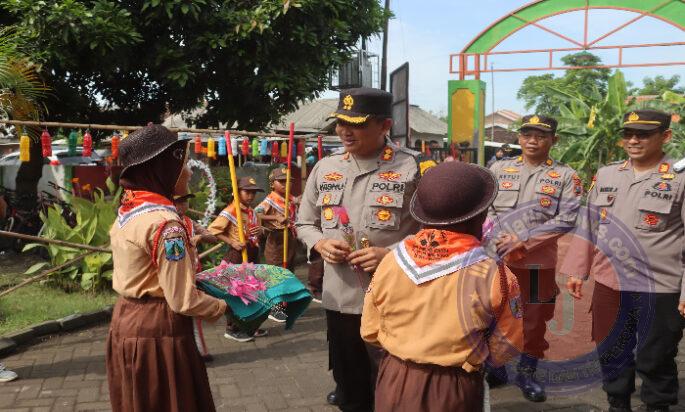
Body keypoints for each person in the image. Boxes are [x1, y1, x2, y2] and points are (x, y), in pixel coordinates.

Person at [296, 87, 423, 411]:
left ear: (384, 126)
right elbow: (304, 223)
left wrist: (391, 252)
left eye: (356, 123)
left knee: (393, 382)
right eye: (340, 122)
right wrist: (321, 243)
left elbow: (432, 232)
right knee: (349, 381)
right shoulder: (325, 167)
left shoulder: (412, 168)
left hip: (393, 297)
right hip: (340, 298)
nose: (344, 131)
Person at [361, 161, 523, 412]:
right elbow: (507, 347)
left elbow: (370, 330)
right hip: (454, 387)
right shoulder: (497, 275)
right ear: (481, 217)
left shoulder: (391, 260)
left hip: (393, 377)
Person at [563, 110, 685, 412]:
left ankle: (657, 405)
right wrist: (578, 269)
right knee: (610, 349)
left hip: (660, 284)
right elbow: (588, 223)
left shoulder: (680, 178)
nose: (633, 140)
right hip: (610, 281)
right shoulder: (606, 175)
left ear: (665, 137)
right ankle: (618, 403)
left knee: (655, 355)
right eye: (628, 134)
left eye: (643, 134)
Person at [107, 124, 227, 412]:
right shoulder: (166, 225)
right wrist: (226, 306)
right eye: (181, 164)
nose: (187, 172)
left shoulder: (129, 211)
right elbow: (182, 298)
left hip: (125, 319)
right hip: (158, 332)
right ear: (162, 169)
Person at [487, 114, 581, 402]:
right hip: (498, 259)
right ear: (519, 137)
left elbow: (567, 218)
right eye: (527, 134)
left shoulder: (566, 176)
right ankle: (496, 367)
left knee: (535, 320)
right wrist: (498, 236)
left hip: (538, 263)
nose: (532, 140)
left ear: (554, 140)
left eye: (540, 135)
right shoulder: (499, 168)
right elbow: (486, 206)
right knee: (492, 314)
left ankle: (527, 373)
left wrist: (524, 241)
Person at [207, 177, 273, 342]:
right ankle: (232, 328)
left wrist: (261, 231)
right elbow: (213, 230)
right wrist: (232, 242)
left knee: (253, 291)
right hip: (236, 256)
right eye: (247, 192)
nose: (251, 196)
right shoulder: (231, 211)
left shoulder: (252, 211)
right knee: (236, 292)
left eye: (253, 193)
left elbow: (258, 231)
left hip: (252, 253)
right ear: (237, 192)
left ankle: (249, 325)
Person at [173, 193, 219, 362]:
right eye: (177, 201)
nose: (181, 205)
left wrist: (200, 236)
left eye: (184, 201)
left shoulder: (189, 222)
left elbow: (213, 237)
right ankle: (183, 355)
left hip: (193, 274)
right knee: (177, 316)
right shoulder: (167, 224)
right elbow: (173, 256)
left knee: (195, 314)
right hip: (176, 277)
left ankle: (200, 351)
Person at [255, 167, 299, 270]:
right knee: (277, 268)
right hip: (276, 238)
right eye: (281, 181)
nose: (286, 184)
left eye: (288, 181)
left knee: (290, 267)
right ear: (272, 184)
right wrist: (275, 217)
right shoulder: (270, 200)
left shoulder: (290, 198)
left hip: (290, 236)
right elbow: (256, 214)